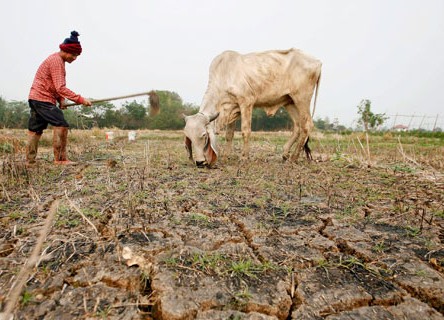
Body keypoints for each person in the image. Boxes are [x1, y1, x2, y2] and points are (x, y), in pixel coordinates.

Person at [26, 30, 92, 165]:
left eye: (77, 56)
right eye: (74, 55)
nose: (75, 58)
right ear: (67, 52)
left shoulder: (56, 60)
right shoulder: (57, 62)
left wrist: (61, 100)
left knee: (35, 129)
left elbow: (55, 87)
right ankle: (60, 159)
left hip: (36, 97)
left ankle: (30, 162)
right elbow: (60, 88)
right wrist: (80, 99)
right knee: (61, 124)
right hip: (42, 98)